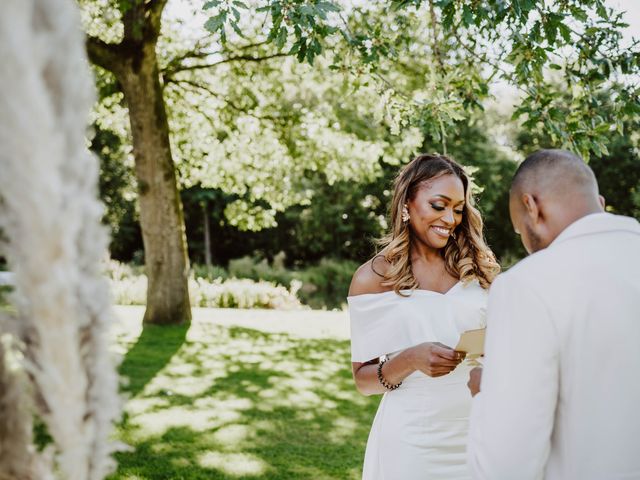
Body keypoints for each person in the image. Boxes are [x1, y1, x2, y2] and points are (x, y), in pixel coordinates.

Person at [467, 149, 640, 479]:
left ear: (531, 207)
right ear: (599, 203)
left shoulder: (526, 285)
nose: (526, 246)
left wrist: (485, 394)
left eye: (520, 232)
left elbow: (504, 466)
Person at [348, 153, 500, 479]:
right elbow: (362, 380)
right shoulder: (373, 277)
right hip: (412, 441)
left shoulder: (478, 267)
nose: (450, 218)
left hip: (478, 433)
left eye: (458, 209)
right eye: (439, 205)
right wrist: (409, 360)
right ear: (407, 203)